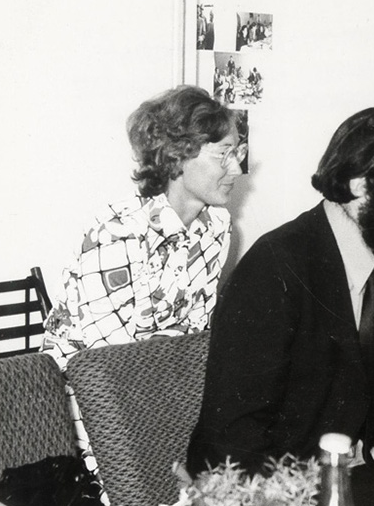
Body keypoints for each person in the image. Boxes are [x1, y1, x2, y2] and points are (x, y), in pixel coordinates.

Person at [186, 107, 374, 475]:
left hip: (343, 475)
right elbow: (234, 438)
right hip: (274, 489)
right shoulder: (276, 268)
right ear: (361, 185)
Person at [43, 85, 244, 368]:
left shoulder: (217, 227)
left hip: (159, 379)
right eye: (224, 154)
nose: (236, 169)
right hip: (84, 385)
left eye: (237, 153)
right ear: (178, 155)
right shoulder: (117, 234)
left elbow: (197, 335)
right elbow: (108, 362)